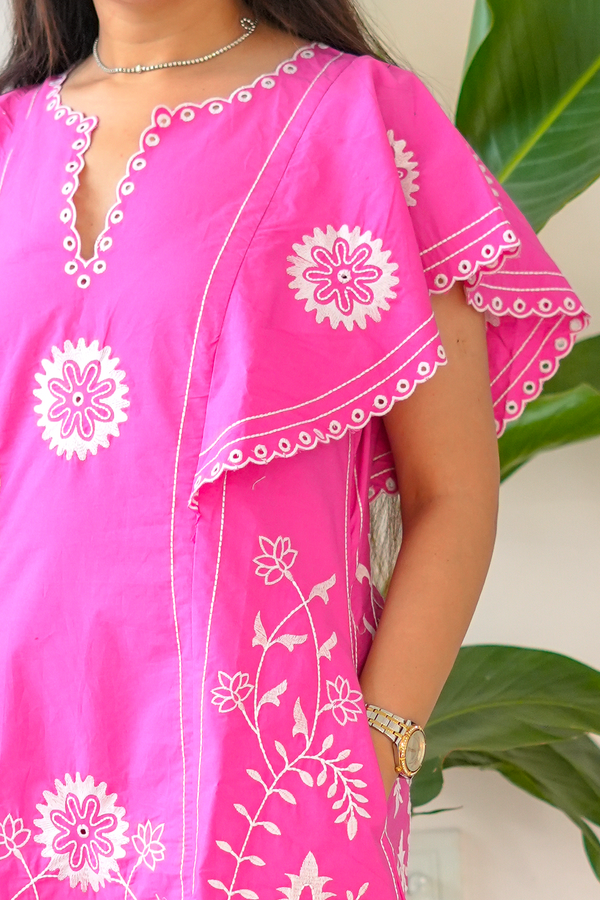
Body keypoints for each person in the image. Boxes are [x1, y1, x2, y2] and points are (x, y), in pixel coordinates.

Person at [0, 0, 588, 897]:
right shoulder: (10, 137)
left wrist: (378, 748)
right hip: (22, 757)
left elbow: (451, 492)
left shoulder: (358, 119)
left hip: (256, 793)